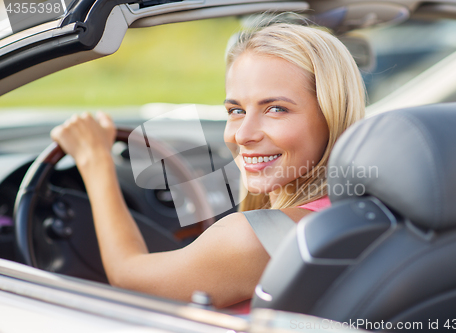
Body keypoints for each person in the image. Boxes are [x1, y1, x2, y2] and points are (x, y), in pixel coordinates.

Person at [50, 21, 365, 309]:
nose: (243, 135)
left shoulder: (253, 240)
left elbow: (128, 275)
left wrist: (95, 161)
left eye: (276, 109)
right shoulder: (362, 212)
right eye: (236, 110)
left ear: (331, 115)